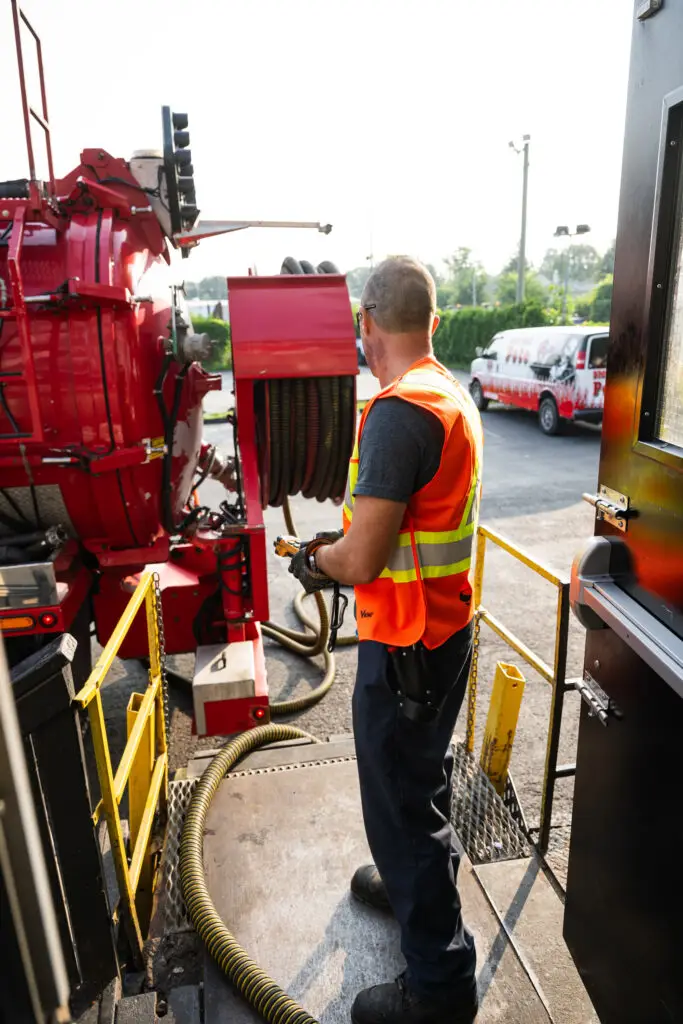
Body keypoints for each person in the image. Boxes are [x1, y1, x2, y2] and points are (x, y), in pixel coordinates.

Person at [289, 257, 483, 1024]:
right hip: (442, 634)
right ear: (431, 323)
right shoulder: (449, 394)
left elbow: (360, 557)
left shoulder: (400, 413)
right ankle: (413, 890)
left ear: (366, 326)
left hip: (405, 650)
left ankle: (438, 989)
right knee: (419, 785)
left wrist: (314, 561)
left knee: (401, 807)